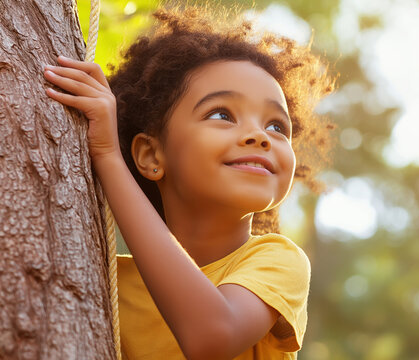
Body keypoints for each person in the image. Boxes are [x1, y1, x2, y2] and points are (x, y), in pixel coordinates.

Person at [43, 6, 334, 360]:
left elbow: (213, 336)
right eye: (222, 114)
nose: (260, 136)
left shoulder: (278, 260)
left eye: (277, 126)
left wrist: (107, 157)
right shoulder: (102, 275)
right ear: (151, 155)